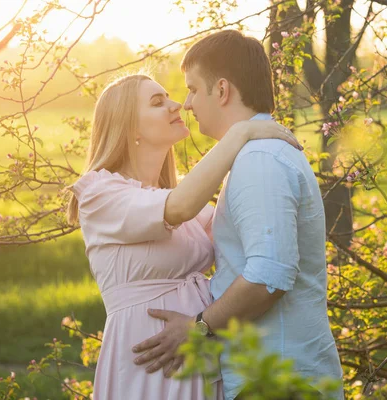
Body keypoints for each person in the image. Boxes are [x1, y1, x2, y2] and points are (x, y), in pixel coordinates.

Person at [132, 30, 345, 400]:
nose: (187, 103)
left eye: (194, 89)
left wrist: (197, 328)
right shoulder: (252, 155)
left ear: (223, 90)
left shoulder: (259, 160)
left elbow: (269, 275)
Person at [67, 73, 300, 399]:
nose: (176, 104)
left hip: (197, 353)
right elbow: (178, 208)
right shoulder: (100, 193)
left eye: (168, 97)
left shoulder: (181, 202)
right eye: (157, 102)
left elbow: (244, 240)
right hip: (150, 361)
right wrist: (241, 133)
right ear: (129, 126)